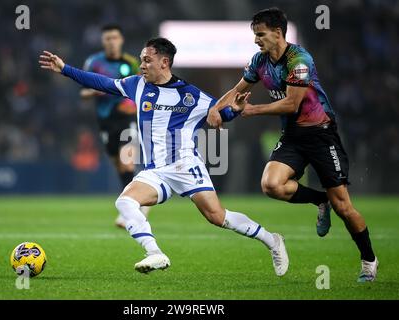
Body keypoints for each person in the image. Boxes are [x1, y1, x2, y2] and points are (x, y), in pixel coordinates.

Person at [39, 37, 289, 276]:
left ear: (164, 62)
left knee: (217, 217)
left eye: (147, 60)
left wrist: (234, 110)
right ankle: (155, 253)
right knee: (124, 202)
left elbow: (219, 114)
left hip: (185, 165)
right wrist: (65, 69)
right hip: (154, 171)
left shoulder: (191, 96)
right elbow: (102, 83)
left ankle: (271, 239)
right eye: (141, 59)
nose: (142, 65)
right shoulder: (136, 85)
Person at [207, 7, 378, 282]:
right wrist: (216, 109)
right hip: (293, 136)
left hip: (321, 134)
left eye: (260, 34)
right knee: (271, 185)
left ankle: (369, 260)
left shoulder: (299, 59)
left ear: (278, 33)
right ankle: (320, 200)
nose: (256, 40)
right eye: (254, 35)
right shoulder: (259, 61)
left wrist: (251, 111)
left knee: (344, 207)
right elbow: (239, 90)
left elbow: (291, 103)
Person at [80, 24, 147, 228]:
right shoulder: (94, 63)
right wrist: (96, 91)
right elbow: (83, 93)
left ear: (121, 40)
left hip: (126, 118)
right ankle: (137, 203)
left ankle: (131, 209)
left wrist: (134, 106)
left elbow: (142, 88)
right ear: (103, 41)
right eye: (107, 38)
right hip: (105, 121)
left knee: (127, 163)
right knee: (119, 165)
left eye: (114, 38)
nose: (111, 41)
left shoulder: (131, 62)